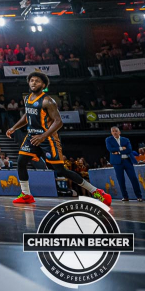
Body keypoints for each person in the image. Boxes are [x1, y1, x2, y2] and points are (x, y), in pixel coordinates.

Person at [7, 71, 111, 206]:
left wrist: (43, 136)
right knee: (21, 161)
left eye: (37, 81)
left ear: (43, 85)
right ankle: (26, 194)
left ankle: (96, 192)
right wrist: (14, 128)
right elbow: (27, 116)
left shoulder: (48, 101)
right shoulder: (27, 98)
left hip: (47, 138)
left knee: (61, 171)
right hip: (32, 136)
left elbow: (58, 122)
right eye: (32, 80)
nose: (33, 83)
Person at [106, 126, 142, 202]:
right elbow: (110, 149)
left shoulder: (125, 140)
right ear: (111, 132)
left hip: (127, 161)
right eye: (113, 131)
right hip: (117, 163)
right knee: (120, 180)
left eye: (116, 131)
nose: (114, 132)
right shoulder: (108, 140)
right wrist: (121, 148)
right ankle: (125, 197)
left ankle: (139, 196)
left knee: (133, 178)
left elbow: (129, 149)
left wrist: (117, 152)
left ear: (119, 132)